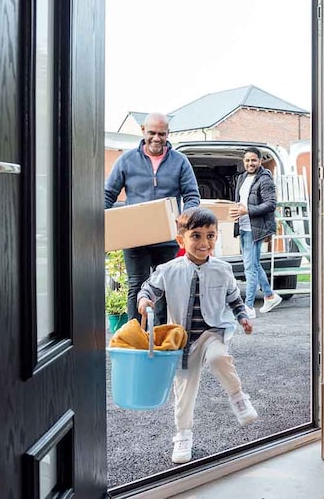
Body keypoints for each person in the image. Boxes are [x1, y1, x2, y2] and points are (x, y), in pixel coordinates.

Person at [137, 207, 258, 464]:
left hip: (212, 332)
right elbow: (149, 288)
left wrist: (243, 317)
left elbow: (234, 299)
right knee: (184, 391)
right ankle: (183, 435)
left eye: (211, 235)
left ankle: (238, 397)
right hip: (181, 341)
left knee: (218, 358)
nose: (205, 243)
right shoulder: (168, 269)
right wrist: (145, 300)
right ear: (181, 239)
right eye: (196, 236)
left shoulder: (222, 269)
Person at [104, 112, 200, 321]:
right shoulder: (127, 160)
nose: (157, 138)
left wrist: (185, 218)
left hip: (167, 238)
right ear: (143, 131)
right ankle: (135, 338)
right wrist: (100, 220)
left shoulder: (180, 162)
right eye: (152, 133)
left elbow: (192, 196)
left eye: (162, 134)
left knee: (163, 288)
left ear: (168, 134)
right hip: (134, 238)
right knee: (136, 286)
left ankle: (159, 339)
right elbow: (108, 194)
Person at [229, 147, 283, 318]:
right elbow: (241, 202)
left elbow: (271, 204)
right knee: (254, 264)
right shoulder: (242, 178)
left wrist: (247, 211)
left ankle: (249, 307)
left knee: (249, 267)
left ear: (259, 161)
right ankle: (269, 295)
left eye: (253, 160)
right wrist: (236, 212)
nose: (250, 163)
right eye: (247, 160)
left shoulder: (265, 179)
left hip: (256, 228)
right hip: (244, 226)